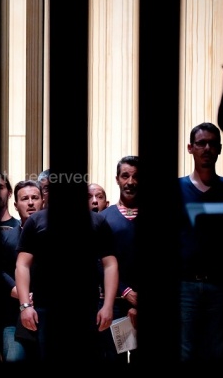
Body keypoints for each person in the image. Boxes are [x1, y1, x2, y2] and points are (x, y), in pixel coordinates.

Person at [15, 177, 118, 364]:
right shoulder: (36, 221)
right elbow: (22, 264)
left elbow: (110, 264)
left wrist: (108, 305)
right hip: (45, 308)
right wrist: (25, 306)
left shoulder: (97, 221)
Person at [178, 122, 223, 364]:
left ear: (219, 149)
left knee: (218, 351)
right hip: (185, 286)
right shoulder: (176, 189)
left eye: (212, 144)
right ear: (190, 148)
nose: (207, 148)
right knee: (185, 351)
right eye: (201, 143)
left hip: (221, 285)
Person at [98, 156, 140, 365]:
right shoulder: (103, 218)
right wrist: (126, 291)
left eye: (136, 176)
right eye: (125, 176)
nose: (130, 182)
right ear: (117, 179)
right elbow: (97, 262)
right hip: (112, 304)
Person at [0, 180, 43, 362]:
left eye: (35, 198)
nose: (30, 203)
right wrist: (14, 290)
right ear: (16, 205)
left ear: (43, 201)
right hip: (12, 317)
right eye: (25, 199)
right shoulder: (5, 236)